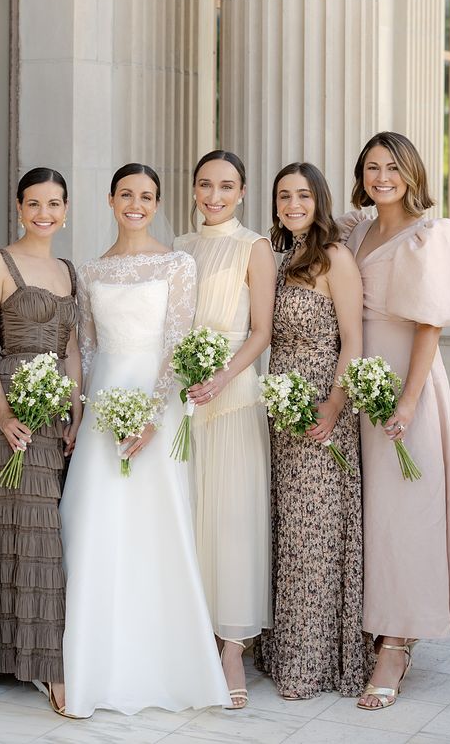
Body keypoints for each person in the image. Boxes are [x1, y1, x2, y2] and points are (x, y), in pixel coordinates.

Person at [60, 163, 231, 718]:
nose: (136, 203)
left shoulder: (178, 264)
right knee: (90, 521)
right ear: (110, 200)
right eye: (127, 194)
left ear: (157, 203)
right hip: (101, 410)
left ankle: (161, 662)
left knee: (155, 528)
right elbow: (85, 351)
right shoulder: (89, 270)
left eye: (148, 196)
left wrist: (154, 415)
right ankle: (90, 666)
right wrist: (79, 410)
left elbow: (176, 343)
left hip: (157, 409)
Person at [340, 131, 450, 710]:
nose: (381, 177)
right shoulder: (353, 229)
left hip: (404, 380)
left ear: (412, 171)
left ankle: (396, 642)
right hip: (353, 378)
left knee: (405, 512)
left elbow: (430, 325)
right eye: (371, 167)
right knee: (368, 510)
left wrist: (409, 400)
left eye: (392, 167)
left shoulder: (433, 234)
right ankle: (367, 625)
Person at [253, 162, 373, 698]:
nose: (293, 204)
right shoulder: (281, 260)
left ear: (318, 200)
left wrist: (331, 407)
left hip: (323, 406)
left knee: (316, 534)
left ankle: (315, 663)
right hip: (282, 410)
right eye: (284, 196)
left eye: (303, 195)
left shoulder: (336, 259)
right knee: (289, 529)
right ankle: (285, 653)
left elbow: (353, 340)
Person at [0, 167, 82, 717]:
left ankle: (43, 662)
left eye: (54, 204)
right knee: (7, 524)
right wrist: (2, 409)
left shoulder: (68, 270)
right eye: (34, 203)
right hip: (7, 409)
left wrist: (76, 406)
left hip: (52, 408)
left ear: (66, 210)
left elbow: (74, 350)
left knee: (44, 531)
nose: (44, 213)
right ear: (18, 208)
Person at [173, 150, 274, 709]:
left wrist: (220, 376)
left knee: (232, 519)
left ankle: (232, 646)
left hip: (232, 396)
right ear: (193, 189)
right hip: (185, 399)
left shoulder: (253, 246)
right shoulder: (180, 250)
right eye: (205, 184)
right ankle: (193, 633)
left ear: (241, 192)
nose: (214, 195)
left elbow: (260, 330)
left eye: (226, 186)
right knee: (191, 516)